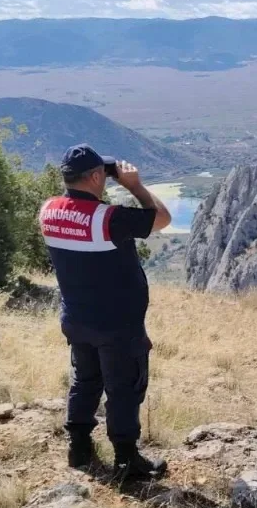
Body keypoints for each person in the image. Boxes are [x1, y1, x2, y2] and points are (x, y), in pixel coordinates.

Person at [38, 144, 172, 480]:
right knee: (124, 389)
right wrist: (135, 186)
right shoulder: (109, 219)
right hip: (117, 325)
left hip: (76, 319)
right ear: (97, 176)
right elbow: (162, 218)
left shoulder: (48, 211)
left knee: (85, 381)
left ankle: (79, 447)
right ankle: (127, 462)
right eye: (104, 173)